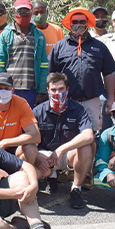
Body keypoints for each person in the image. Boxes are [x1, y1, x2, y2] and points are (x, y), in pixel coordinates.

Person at [49, 7, 115, 136]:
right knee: (67, 134)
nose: (78, 24)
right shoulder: (59, 46)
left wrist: (111, 99)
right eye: (75, 22)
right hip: (66, 100)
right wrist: (53, 97)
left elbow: (108, 73)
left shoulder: (99, 46)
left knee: (94, 134)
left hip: (92, 101)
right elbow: (51, 73)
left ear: (87, 23)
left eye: (82, 22)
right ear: (70, 24)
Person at [33, 73, 94, 208]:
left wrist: (61, 149)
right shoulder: (37, 111)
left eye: (61, 89)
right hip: (45, 157)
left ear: (67, 89)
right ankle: (49, 176)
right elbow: (27, 139)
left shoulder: (77, 109)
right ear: (47, 90)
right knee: (25, 152)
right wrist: (36, 156)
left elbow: (89, 135)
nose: (57, 93)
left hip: (67, 155)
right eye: (53, 90)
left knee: (86, 147)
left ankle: (76, 189)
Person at [0, 73, 40, 164]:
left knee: (31, 148)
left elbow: (36, 136)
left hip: (14, 147)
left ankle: (27, 170)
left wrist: (5, 142)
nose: (3, 91)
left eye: (6, 88)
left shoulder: (21, 104)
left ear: (12, 90)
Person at [0, 0, 48, 108]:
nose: (23, 15)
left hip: (32, 90)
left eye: (26, 12)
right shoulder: (6, 35)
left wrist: (41, 91)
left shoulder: (39, 36)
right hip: (11, 89)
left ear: (31, 13)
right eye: (20, 12)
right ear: (14, 12)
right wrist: (1, 88)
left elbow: (43, 65)